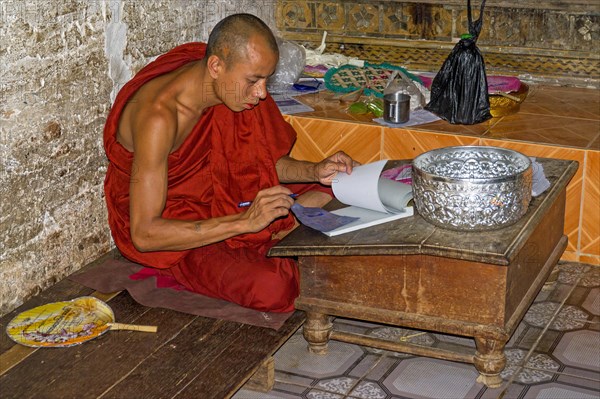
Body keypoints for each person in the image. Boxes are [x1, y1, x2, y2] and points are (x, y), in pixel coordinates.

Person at [103, 13, 357, 313]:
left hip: (228, 193)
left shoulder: (228, 88)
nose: (262, 93)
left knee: (346, 183)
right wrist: (245, 222)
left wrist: (315, 171)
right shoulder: (159, 118)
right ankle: (279, 234)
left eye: (266, 80)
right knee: (272, 286)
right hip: (177, 223)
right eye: (253, 81)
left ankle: (280, 231)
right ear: (215, 66)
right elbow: (145, 234)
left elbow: (258, 164)